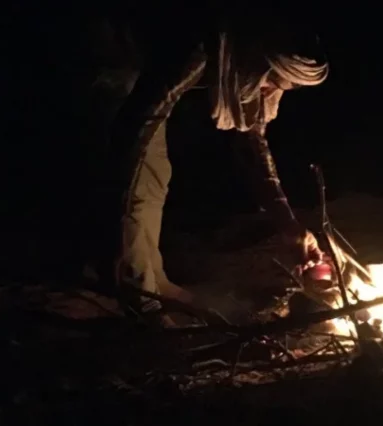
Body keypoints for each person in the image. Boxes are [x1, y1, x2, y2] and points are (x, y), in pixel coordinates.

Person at [87, 11, 330, 327]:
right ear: (259, 62)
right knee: (135, 183)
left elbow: (252, 142)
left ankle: (154, 281)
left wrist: (288, 224)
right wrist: (119, 191)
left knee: (156, 176)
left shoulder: (248, 65)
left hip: (143, 81)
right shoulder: (201, 49)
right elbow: (141, 116)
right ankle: (138, 296)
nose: (272, 92)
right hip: (112, 64)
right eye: (273, 81)